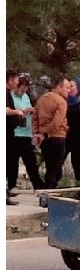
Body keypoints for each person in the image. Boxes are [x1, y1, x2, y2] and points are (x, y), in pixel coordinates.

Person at [32, 75, 71, 189]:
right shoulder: (61, 102)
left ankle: (47, 191)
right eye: (67, 87)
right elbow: (57, 122)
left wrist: (37, 133)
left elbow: (35, 117)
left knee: (50, 167)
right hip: (57, 137)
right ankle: (49, 193)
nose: (69, 90)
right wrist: (46, 133)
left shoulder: (41, 99)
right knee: (55, 169)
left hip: (44, 139)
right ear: (59, 87)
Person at [9, 76, 44, 191]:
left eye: (25, 90)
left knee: (30, 161)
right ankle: (11, 185)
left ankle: (37, 184)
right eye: (22, 90)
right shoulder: (10, 96)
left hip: (26, 133)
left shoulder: (25, 97)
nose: (23, 92)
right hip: (15, 133)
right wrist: (22, 112)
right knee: (13, 161)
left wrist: (31, 110)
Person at [6, 69, 22, 205]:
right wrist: (16, 111)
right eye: (16, 80)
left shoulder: (8, 94)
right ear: (10, 80)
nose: (18, 82)